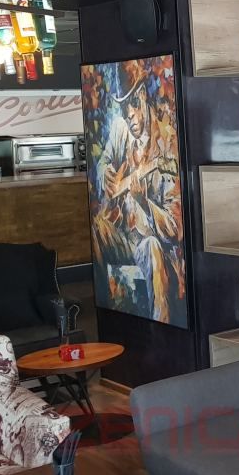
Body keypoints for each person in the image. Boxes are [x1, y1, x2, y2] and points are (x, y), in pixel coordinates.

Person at [89, 58, 184, 324]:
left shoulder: (167, 142)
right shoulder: (120, 129)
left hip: (152, 242)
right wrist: (104, 173)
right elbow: (104, 162)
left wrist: (144, 202)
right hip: (126, 233)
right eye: (122, 107)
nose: (129, 114)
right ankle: (106, 313)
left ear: (142, 96)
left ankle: (161, 328)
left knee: (151, 246)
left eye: (132, 103)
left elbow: (175, 227)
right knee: (97, 228)